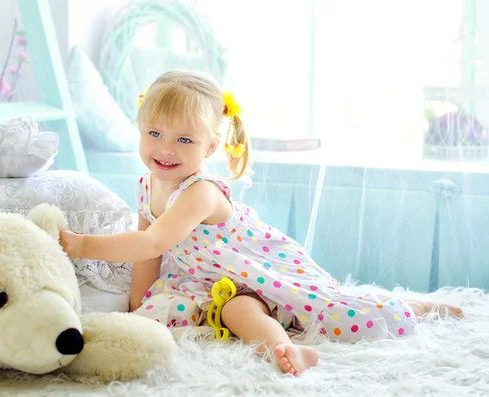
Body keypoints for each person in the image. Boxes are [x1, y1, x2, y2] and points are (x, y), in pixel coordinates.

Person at [59, 71, 463, 376]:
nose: (165, 149)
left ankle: (415, 305)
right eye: (154, 133)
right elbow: (151, 257)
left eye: (184, 140)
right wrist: (137, 310)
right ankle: (283, 348)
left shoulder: (200, 192)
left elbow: (148, 243)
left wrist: (81, 245)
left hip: (254, 267)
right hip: (208, 281)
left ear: (210, 146)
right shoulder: (148, 183)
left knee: (348, 317)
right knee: (233, 311)